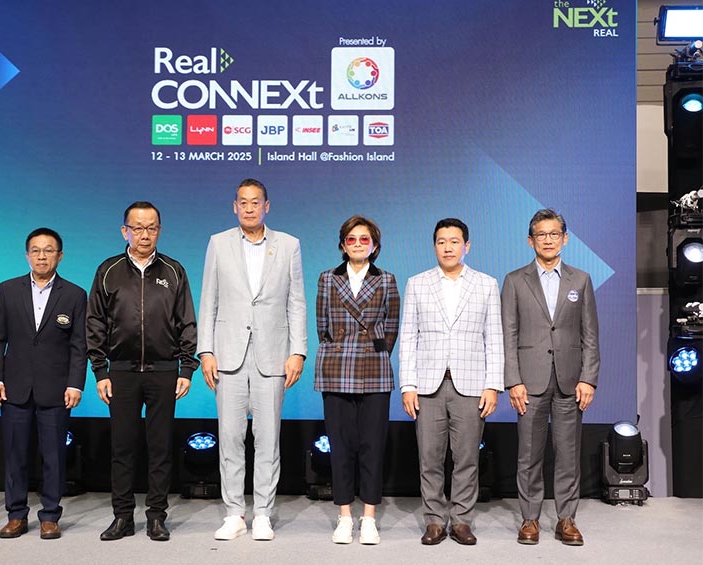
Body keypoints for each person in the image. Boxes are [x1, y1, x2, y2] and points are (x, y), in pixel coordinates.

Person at [198, 178, 307, 541]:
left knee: (267, 439)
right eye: (242, 202)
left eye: (255, 202)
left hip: (272, 355)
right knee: (230, 438)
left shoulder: (288, 245)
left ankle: (262, 513)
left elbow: (296, 301)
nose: (249, 208)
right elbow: (209, 299)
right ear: (235, 207)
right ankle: (234, 513)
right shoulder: (219, 243)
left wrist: (297, 351)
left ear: (266, 206)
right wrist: (206, 350)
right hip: (228, 355)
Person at [86, 201, 198, 542]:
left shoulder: (174, 271)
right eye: (137, 228)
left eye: (151, 228)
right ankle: (122, 517)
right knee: (122, 448)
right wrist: (100, 371)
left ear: (159, 231)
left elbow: (186, 321)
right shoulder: (108, 271)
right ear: (125, 231)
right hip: (121, 372)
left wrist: (186, 368)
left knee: (160, 447)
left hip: (164, 371)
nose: (144, 234)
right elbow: (95, 322)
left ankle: (156, 517)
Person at [399, 218, 503, 546]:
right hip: (427, 385)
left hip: (471, 386)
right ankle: (433, 520)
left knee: (467, 458)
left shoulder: (486, 284)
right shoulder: (417, 283)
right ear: (434, 246)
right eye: (441, 241)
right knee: (429, 457)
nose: (448, 247)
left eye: (454, 241)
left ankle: (461, 521)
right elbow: (408, 337)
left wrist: (492, 385)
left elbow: (494, 338)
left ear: (466, 246)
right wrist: (408, 385)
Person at [501, 208, 599, 546]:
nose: (548, 240)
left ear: (565, 239)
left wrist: (589, 378)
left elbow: (590, 335)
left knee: (568, 454)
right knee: (529, 454)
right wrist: (513, 380)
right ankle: (529, 518)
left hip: (571, 381)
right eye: (541, 234)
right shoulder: (515, 281)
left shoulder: (580, 280)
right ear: (530, 241)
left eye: (554, 234)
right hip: (529, 381)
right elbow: (508, 335)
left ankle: (566, 518)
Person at [0, 227, 87, 540]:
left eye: (49, 250)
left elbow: (79, 345)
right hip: (14, 387)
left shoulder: (74, 294)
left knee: (53, 456)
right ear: (27, 255)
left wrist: (75, 384)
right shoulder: (8, 290)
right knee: (15, 455)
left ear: (60, 256)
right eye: (36, 250)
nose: (42, 256)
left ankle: (50, 516)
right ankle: (16, 515)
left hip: (56, 389)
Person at [314, 216, 399, 545]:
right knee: (340, 447)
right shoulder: (327, 278)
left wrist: (374, 351)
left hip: (373, 368)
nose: (358, 244)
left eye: (365, 239)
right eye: (352, 239)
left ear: (374, 246)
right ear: (342, 245)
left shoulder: (387, 280)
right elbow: (323, 326)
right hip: (335, 367)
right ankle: (345, 515)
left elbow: (390, 328)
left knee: (372, 447)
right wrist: (340, 349)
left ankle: (369, 517)